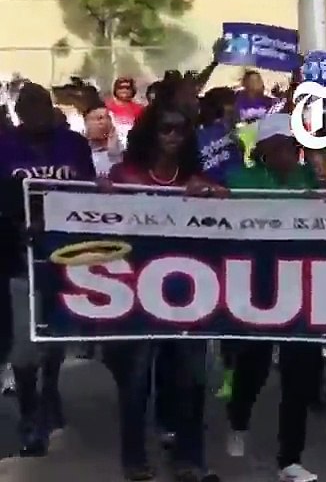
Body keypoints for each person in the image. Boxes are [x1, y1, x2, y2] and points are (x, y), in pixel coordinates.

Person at [104, 103, 222, 482]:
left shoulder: (195, 178)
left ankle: (190, 458)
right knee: (136, 381)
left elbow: (229, 211)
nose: (173, 136)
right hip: (135, 293)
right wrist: (105, 196)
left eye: (181, 130)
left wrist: (213, 195)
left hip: (188, 294)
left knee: (192, 380)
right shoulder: (125, 175)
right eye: (165, 128)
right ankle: (134, 458)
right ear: (149, 133)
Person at [223, 114, 324, 482]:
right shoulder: (241, 180)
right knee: (254, 365)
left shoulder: (308, 178)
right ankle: (238, 420)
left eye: (292, 146)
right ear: (263, 150)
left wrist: (321, 191)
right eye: (279, 146)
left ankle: (290, 459)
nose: (287, 154)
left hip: (303, 285)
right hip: (258, 285)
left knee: (300, 374)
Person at [0, 83, 96, 455]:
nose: (35, 112)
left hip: (64, 255)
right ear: (19, 112)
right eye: (27, 106)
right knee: (25, 345)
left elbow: (86, 191)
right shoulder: (5, 146)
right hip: (18, 258)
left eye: (41, 104)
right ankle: (29, 412)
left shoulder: (74, 144)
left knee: (55, 335)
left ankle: (50, 390)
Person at [84, 100, 123, 176]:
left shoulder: (121, 151)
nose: (101, 123)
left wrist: (113, 151)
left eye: (107, 117)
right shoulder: (79, 150)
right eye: (99, 118)